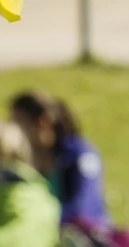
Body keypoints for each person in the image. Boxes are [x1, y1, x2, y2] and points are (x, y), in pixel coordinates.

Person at [10, 91, 110, 226]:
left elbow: (83, 206)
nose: (14, 133)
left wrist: (40, 223)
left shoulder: (81, 155)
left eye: (20, 124)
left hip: (86, 237)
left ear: (43, 121)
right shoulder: (23, 160)